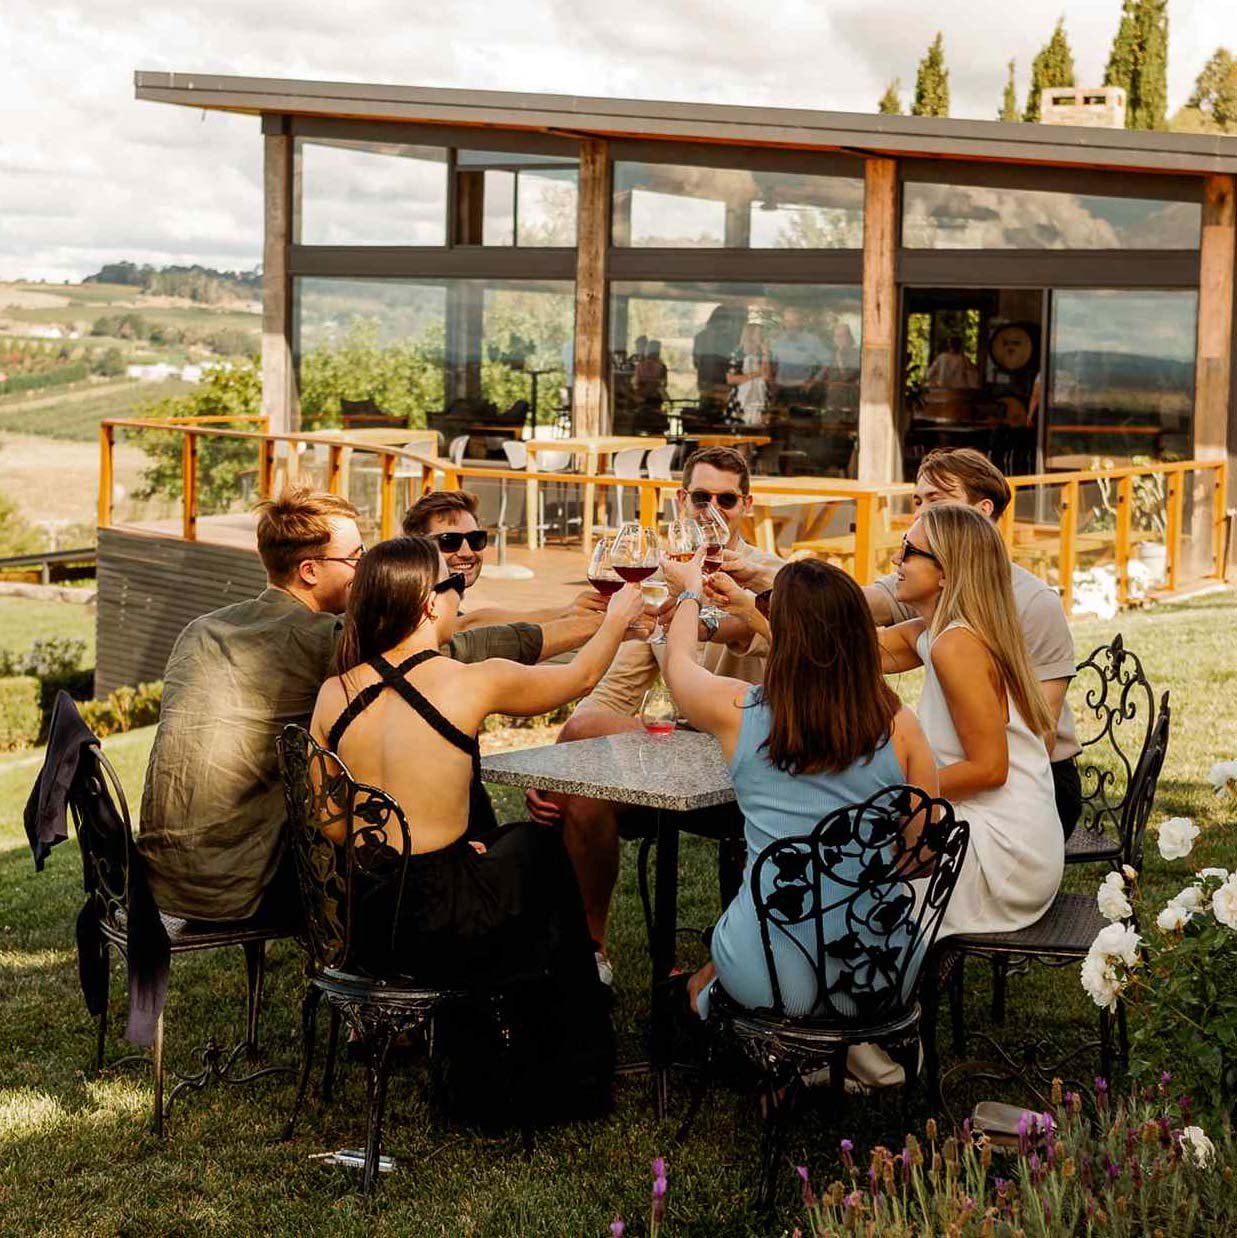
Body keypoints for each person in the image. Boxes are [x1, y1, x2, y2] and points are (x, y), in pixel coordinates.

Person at [308, 537, 646, 1117]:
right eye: (452, 584)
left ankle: (499, 1041)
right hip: (444, 924)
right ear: (427, 604)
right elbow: (582, 678)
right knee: (541, 851)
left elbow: (331, 826)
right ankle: (564, 1065)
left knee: (516, 843)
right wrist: (620, 615)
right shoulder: (468, 680)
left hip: (362, 926)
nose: (461, 595)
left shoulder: (332, 693)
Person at [138, 489, 579, 923]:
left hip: (162, 876)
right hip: (247, 882)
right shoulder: (316, 639)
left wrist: (569, 614)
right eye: (356, 557)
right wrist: (589, 628)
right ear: (309, 571)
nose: (365, 567)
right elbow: (456, 651)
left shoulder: (201, 630)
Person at [657, 556, 938, 1088]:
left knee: (726, 961)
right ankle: (842, 1052)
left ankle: (761, 1046)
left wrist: (690, 592)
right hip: (882, 969)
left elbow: (677, 664)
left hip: (771, 972)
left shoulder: (737, 709)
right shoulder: (901, 725)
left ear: (781, 632)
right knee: (774, 941)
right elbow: (921, 855)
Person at [720, 448, 1083, 838]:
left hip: (1027, 794)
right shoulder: (928, 617)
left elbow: (1026, 749)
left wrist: (900, 800)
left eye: (936, 502)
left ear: (975, 518)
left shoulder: (1026, 606)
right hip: (961, 784)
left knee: (843, 838)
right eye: (918, 501)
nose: (919, 517)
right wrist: (751, 601)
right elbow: (839, 646)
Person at [525, 446, 784, 972]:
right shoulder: (661, 586)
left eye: (727, 499)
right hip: (681, 755)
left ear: (747, 504)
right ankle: (590, 946)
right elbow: (609, 696)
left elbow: (789, 626)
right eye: (700, 497)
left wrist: (738, 590)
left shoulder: (774, 581)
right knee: (582, 771)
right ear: (681, 501)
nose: (713, 509)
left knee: (587, 735)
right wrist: (559, 768)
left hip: (757, 756)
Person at [878, 504, 1064, 937]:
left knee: (850, 866)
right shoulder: (938, 632)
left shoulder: (957, 646)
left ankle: (878, 983)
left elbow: (990, 769)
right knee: (853, 854)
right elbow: (836, 652)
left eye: (909, 551)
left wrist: (897, 798)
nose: (895, 561)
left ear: (946, 571)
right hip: (993, 826)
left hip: (1003, 847)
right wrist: (746, 609)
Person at [402, 490, 640, 639]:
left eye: (476, 540)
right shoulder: (409, 607)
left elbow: (483, 620)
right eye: (449, 541)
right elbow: (467, 628)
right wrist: (612, 623)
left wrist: (569, 612)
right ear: (416, 547)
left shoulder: (446, 606)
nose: (466, 552)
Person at [772, 306, 827, 403]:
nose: (790, 325)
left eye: (794, 321)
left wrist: (813, 382)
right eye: (787, 321)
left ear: (801, 322)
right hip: (779, 393)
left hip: (801, 393)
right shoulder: (779, 341)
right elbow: (773, 366)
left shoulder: (812, 341)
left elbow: (827, 363)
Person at [725, 321, 771, 426]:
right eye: (759, 335)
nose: (761, 339)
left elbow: (766, 376)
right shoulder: (737, 354)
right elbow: (731, 379)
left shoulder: (764, 354)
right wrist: (756, 374)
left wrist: (765, 354)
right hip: (740, 402)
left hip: (760, 399)